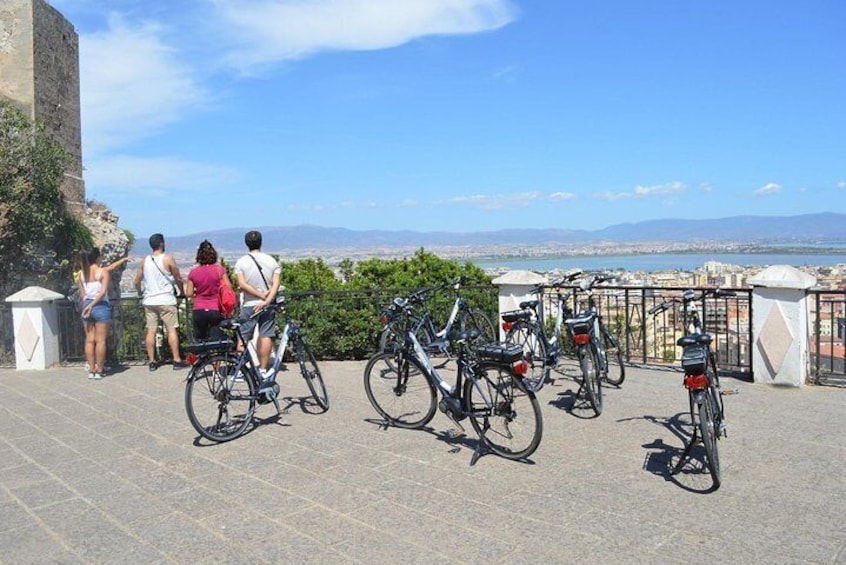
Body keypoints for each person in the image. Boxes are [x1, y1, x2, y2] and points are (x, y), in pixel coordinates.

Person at [134, 233, 188, 371]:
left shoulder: (144, 261)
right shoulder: (168, 259)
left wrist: (141, 293)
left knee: (150, 331)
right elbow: (177, 277)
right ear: (162, 244)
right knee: (171, 330)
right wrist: (181, 292)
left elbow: (137, 280)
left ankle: (152, 361)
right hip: (166, 299)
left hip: (149, 300)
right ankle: (176, 359)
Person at [234, 230, 281, 373]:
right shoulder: (271, 261)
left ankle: (241, 370)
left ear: (246, 243)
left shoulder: (241, 262)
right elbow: (276, 284)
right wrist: (266, 299)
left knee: (243, 338)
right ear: (261, 242)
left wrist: (258, 295)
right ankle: (263, 368)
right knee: (266, 335)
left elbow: (242, 284)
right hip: (267, 305)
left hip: (249, 304)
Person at [185, 240, 231, 341]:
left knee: (201, 341)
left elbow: (188, 293)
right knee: (218, 340)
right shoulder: (219, 270)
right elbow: (228, 287)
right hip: (216, 309)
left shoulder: (193, 272)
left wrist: (198, 293)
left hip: (199, 309)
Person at [77, 248, 111, 380]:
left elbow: (83, 295)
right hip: (100, 306)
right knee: (100, 340)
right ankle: (100, 369)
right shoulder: (103, 272)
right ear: (97, 258)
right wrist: (93, 305)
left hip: (86, 307)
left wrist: (88, 305)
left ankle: (91, 369)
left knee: (90, 340)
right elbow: (102, 292)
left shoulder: (81, 274)